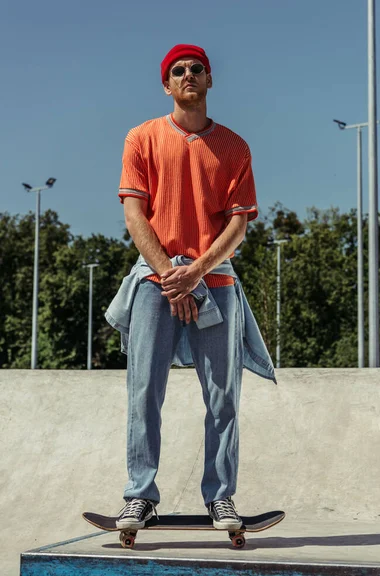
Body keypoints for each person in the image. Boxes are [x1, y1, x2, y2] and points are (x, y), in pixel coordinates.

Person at [105, 44, 276, 532]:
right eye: (177, 71)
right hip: (153, 283)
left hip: (216, 282)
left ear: (208, 80)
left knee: (223, 397)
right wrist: (168, 275)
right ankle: (140, 495)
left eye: (196, 69)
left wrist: (196, 272)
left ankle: (220, 497)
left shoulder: (235, 147)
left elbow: (238, 226)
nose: (187, 76)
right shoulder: (142, 138)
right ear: (167, 84)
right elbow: (135, 215)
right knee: (144, 393)